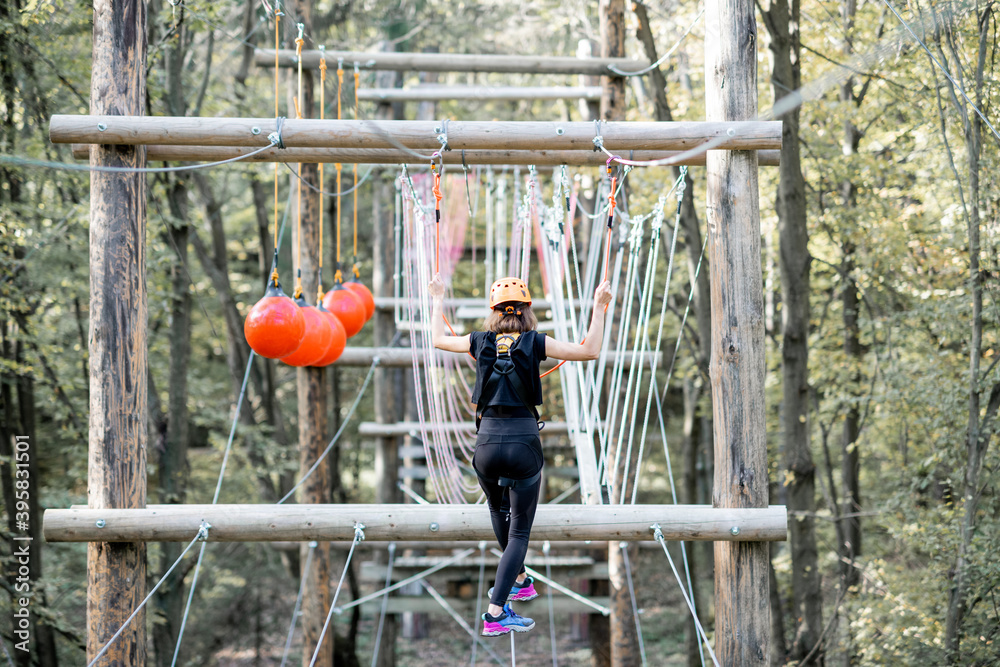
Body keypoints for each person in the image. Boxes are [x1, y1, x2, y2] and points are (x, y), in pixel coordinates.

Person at [429, 274, 613, 637]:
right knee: (520, 534)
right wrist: (599, 307)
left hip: (484, 445)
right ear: (528, 312)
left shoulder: (479, 341)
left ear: (494, 314)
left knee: (498, 510)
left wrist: (437, 298)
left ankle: (521, 579)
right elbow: (590, 350)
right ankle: (496, 611)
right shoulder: (536, 342)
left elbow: (436, 339)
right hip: (523, 443)